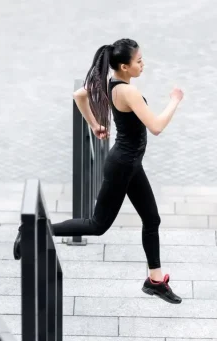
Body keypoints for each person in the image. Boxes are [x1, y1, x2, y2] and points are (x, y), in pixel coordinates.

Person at [13, 38, 184, 304]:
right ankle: (31, 231)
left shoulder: (110, 82)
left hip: (130, 163)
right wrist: (175, 101)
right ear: (125, 67)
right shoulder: (128, 92)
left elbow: (79, 95)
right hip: (122, 166)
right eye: (138, 61)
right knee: (97, 225)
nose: (143, 64)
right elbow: (157, 126)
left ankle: (155, 281)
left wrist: (94, 124)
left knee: (152, 219)